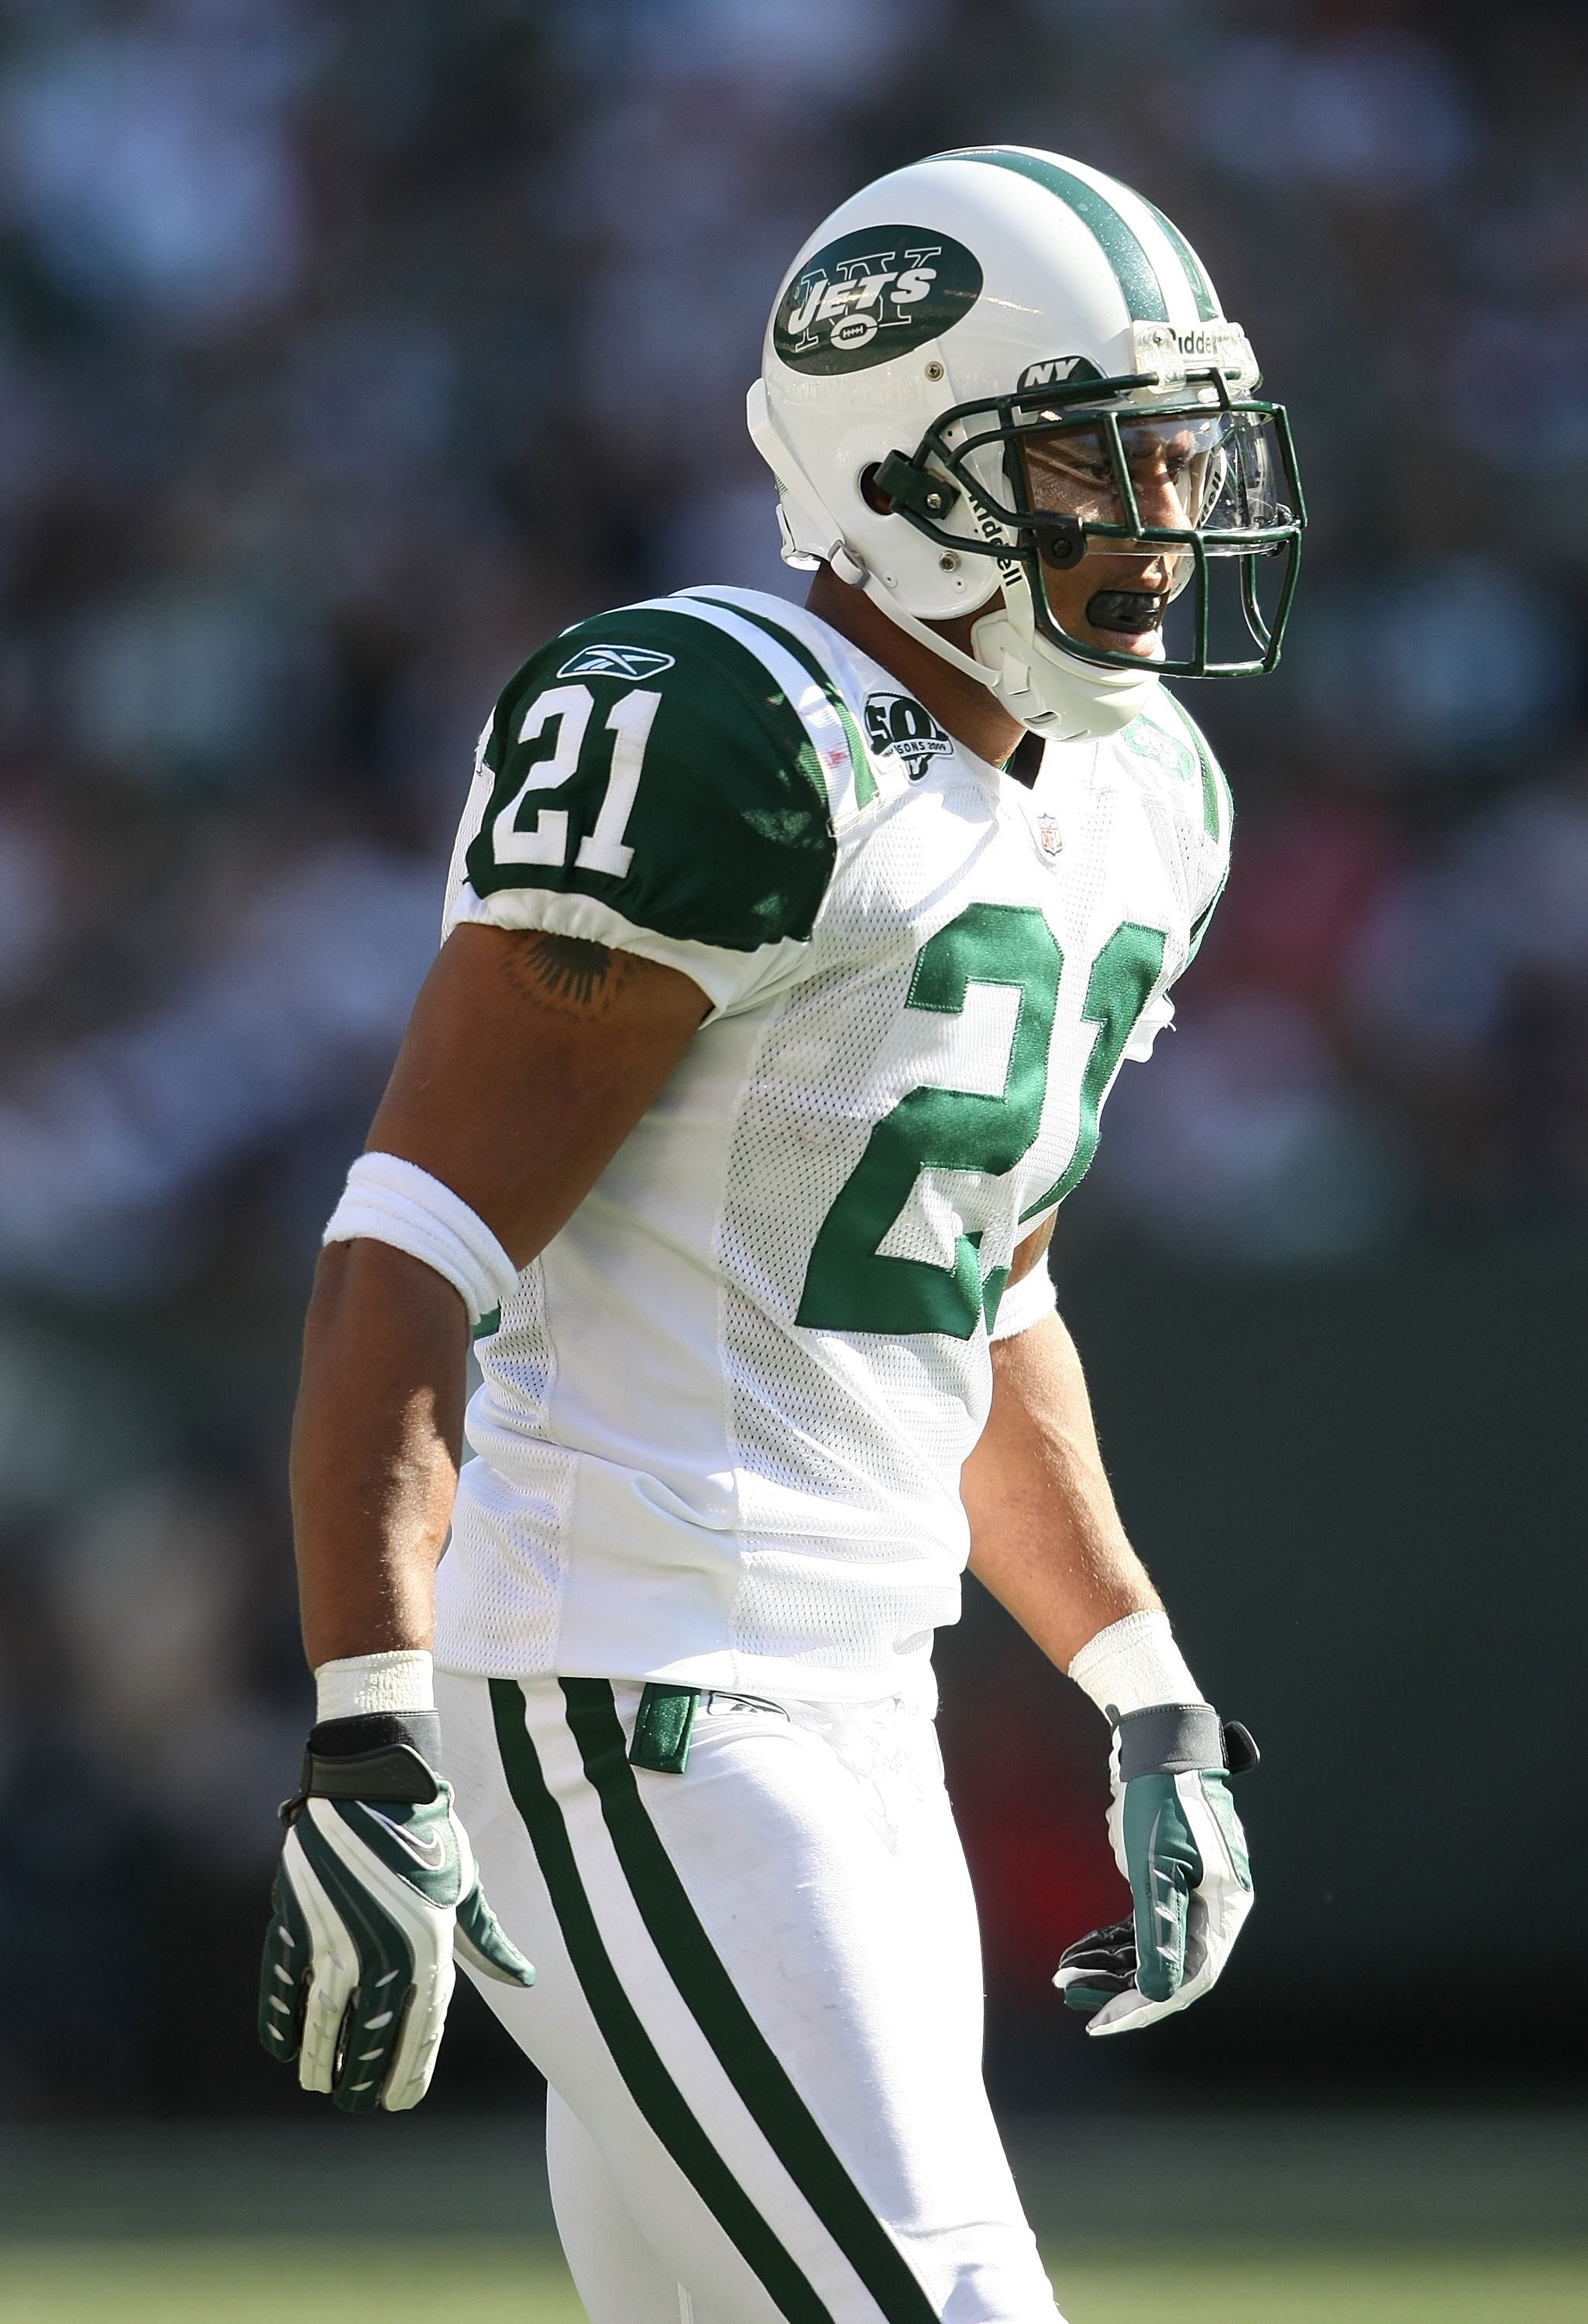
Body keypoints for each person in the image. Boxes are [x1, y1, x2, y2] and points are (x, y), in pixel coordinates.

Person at [260, 146, 1299, 2324]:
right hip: (624, 1687)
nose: (1166, 523)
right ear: (899, 467)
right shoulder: (727, 727)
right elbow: (407, 1250)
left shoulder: (1141, 796)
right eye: (1092, 463)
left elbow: (974, 1280)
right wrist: (370, 1715)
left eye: (1181, 457)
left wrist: (1145, 1682)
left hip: (854, 1697)